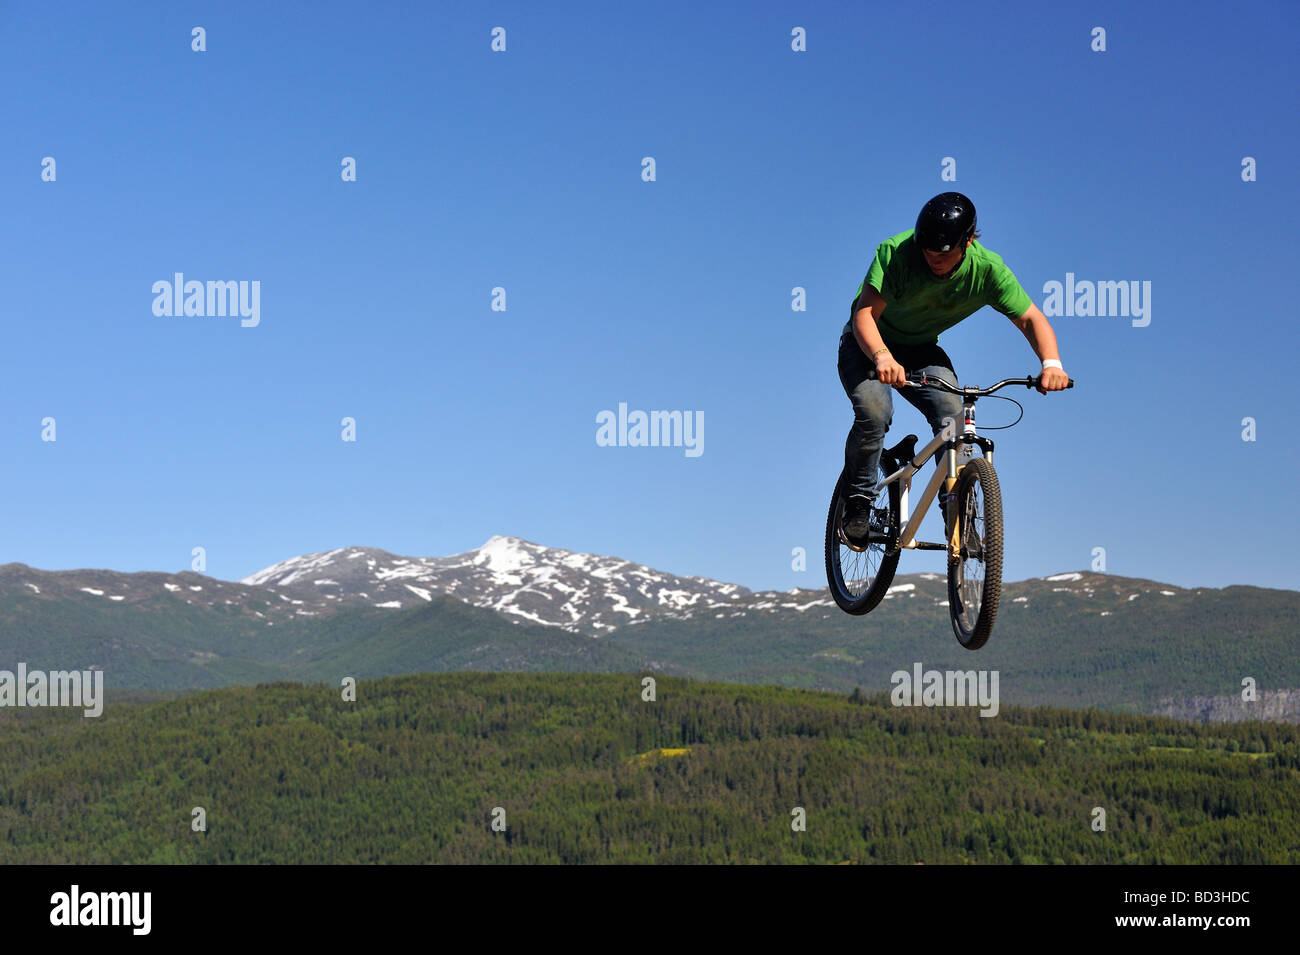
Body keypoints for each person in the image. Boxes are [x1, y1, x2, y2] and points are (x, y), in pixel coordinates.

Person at [838, 192, 1070, 541]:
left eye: (943, 253)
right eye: (927, 251)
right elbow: (865, 315)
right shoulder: (896, 253)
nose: (934, 259)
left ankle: (958, 512)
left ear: (969, 240)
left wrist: (1051, 364)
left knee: (953, 414)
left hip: (920, 350)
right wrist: (883, 356)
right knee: (875, 411)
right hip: (867, 345)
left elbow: (1030, 319)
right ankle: (857, 502)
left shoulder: (988, 270)